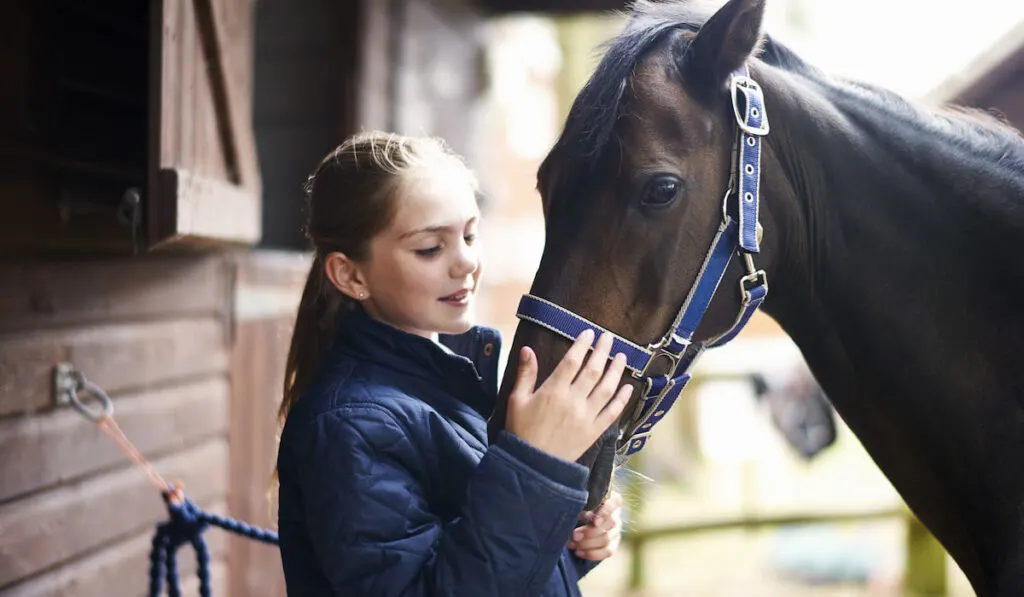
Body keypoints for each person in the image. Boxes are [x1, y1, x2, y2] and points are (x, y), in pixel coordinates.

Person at [275, 131, 632, 596]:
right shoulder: (349, 425)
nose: (466, 262)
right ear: (351, 274)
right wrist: (535, 469)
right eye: (429, 248)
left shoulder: (450, 386)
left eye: (469, 234)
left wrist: (564, 534)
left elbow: (481, 564)